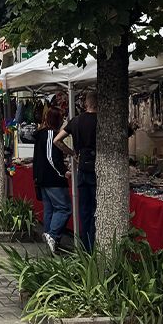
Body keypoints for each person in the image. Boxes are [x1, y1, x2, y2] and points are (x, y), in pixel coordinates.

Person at [56, 92, 98, 251]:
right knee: (97, 210)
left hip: (82, 169)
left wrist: (73, 154)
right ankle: (94, 247)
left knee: (84, 210)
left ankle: (85, 247)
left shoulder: (76, 121)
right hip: (97, 168)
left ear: (85, 104)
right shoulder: (101, 120)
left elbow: (57, 140)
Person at [33, 107, 70, 254]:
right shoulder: (49, 134)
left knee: (50, 209)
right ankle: (52, 235)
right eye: (61, 118)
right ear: (57, 119)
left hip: (44, 178)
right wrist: (62, 171)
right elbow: (50, 157)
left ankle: (50, 241)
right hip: (52, 178)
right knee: (63, 208)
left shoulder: (42, 134)